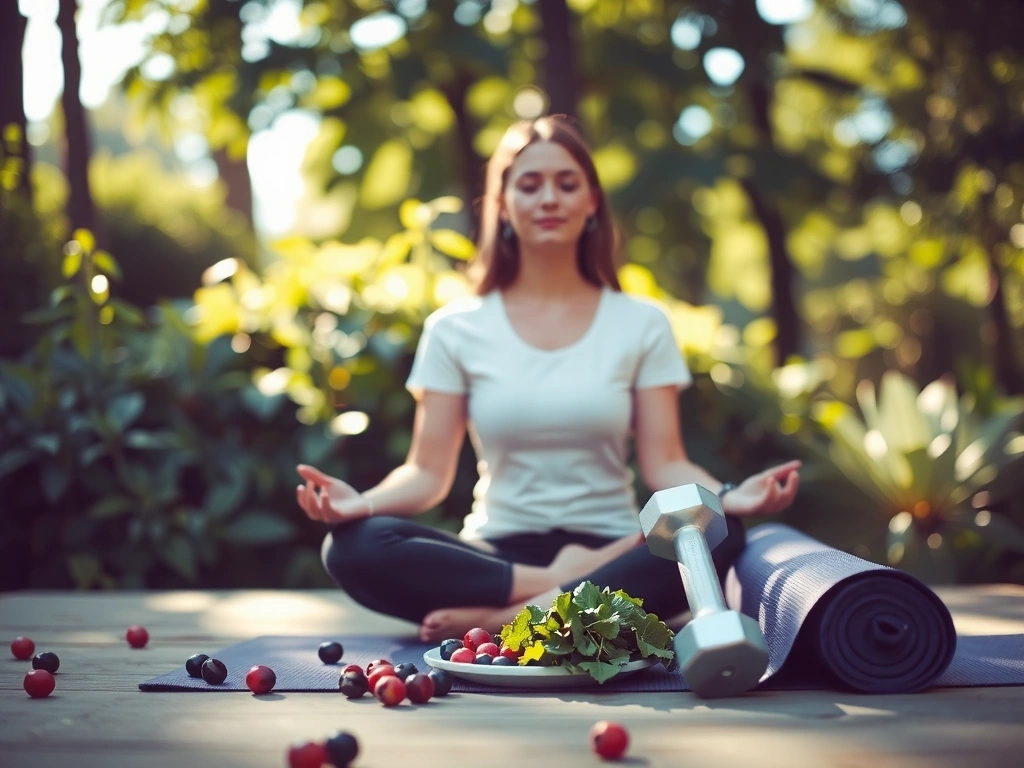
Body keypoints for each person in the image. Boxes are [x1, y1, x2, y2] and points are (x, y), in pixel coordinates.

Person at [295, 115, 800, 643]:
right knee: (352, 546)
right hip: (495, 556)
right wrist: (363, 504)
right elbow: (426, 473)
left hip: (617, 546)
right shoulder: (455, 329)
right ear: (503, 207)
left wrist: (726, 496)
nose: (549, 198)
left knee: (718, 537)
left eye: (567, 183)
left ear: (591, 205)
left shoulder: (641, 323)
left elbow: (665, 462)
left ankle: (510, 621)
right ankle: (554, 592)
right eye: (530, 185)